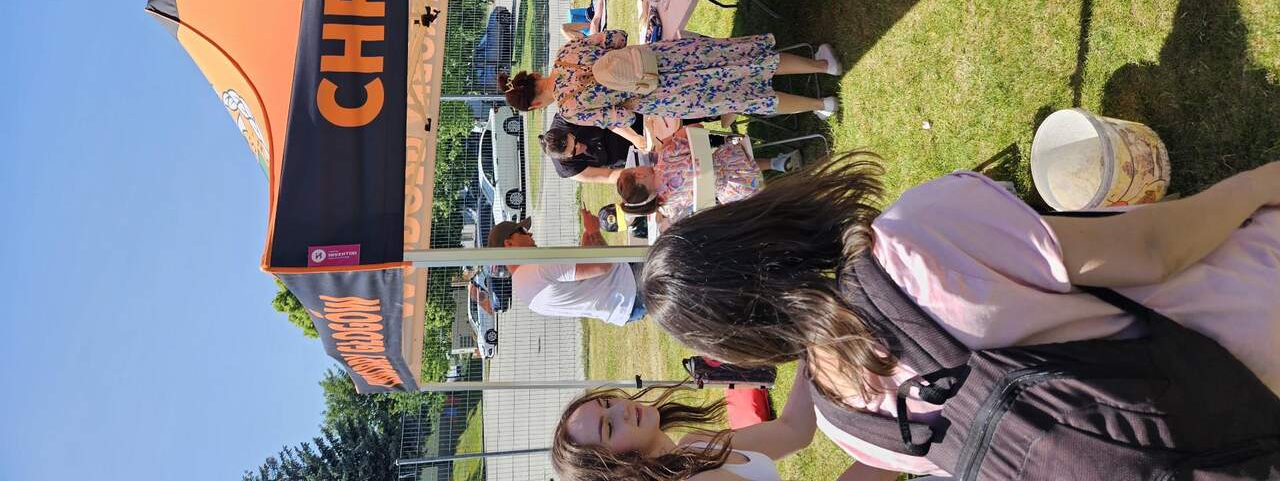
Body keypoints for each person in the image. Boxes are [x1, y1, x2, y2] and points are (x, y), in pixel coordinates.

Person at [638, 156, 1280, 476]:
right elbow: (1154, 250)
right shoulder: (916, 239)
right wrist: (1259, 183)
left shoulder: (846, 426)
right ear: (747, 224)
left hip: (1236, 436)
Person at [498, 29, 841, 124]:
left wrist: (624, 98)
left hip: (660, 94)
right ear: (534, 76)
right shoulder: (566, 54)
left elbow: (623, 117)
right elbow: (617, 36)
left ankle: (821, 104)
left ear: (536, 104)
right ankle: (823, 66)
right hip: (662, 58)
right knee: (745, 60)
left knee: (743, 99)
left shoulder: (570, 110)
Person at [550, 365, 820, 481]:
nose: (622, 409)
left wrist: (815, 339)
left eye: (608, 403)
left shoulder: (693, 445)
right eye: (609, 427)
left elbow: (793, 430)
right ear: (615, 471)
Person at [487, 214, 647, 325]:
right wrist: (594, 231)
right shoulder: (537, 268)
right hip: (632, 284)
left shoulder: (522, 287)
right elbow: (603, 265)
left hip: (625, 306)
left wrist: (586, 247)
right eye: (522, 231)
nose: (530, 233)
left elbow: (579, 286)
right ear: (509, 243)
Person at [616, 129, 788, 228]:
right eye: (635, 168)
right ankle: (777, 163)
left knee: (719, 170)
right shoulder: (665, 157)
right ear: (639, 175)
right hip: (735, 161)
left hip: (736, 192)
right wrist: (669, 140)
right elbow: (695, 129)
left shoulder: (668, 207)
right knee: (723, 162)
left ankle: (781, 192)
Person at [542, 113, 643, 184]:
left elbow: (608, 117)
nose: (579, 146)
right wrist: (636, 174)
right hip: (619, 154)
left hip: (622, 125)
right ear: (566, 158)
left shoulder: (567, 117)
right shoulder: (567, 168)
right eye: (573, 151)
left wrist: (634, 138)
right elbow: (609, 176)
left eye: (574, 140)